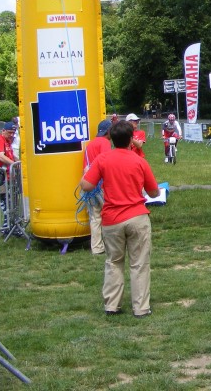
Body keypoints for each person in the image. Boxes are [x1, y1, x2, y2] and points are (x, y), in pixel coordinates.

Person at [80, 120, 160, 317]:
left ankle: (112, 305)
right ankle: (141, 308)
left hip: (112, 219)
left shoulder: (103, 159)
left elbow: (86, 186)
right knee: (139, 263)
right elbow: (154, 192)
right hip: (137, 217)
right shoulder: (139, 161)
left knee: (114, 262)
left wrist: (89, 175)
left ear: (111, 139)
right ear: (131, 139)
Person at [84, 120, 113, 254]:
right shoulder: (105, 143)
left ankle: (96, 247)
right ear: (108, 131)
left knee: (95, 217)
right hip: (101, 185)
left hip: (90, 186)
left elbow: (86, 167)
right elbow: (107, 162)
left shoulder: (90, 145)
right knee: (110, 214)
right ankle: (112, 244)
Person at [0, 121, 17, 232]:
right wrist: (14, 164)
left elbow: (11, 156)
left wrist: (19, 162)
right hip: (0, 179)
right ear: (3, 131)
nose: (11, 135)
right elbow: (1, 157)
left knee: (12, 204)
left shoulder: (7, 141)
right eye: (9, 132)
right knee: (6, 204)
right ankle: (7, 229)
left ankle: (12, 228)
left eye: (13, 133)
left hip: (8, 178)